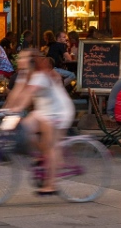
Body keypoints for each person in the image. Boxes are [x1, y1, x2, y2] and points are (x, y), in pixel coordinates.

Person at [21, 54, 79, 193]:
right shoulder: (27, 75)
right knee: (24, 128)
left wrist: (16, 108)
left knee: (51, 147)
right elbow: (17, 93)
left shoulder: (40, 76)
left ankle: (51, 185)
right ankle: (44, 155)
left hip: (59, 112)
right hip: (45, 111)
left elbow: (27, 95)